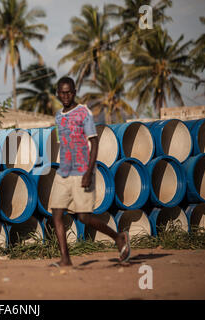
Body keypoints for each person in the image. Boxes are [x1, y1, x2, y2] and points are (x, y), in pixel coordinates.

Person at [49, 76, 130, 267]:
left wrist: (88, 171)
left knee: (83, 217)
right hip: (64, 172)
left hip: (82, 171)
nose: (66, 95)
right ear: (58, 94)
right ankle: (65, 259)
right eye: (62, 92)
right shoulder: (59, 116)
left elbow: (94, 142)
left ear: (74, 92)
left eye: (69, 92)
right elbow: (64, 144)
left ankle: (118, 238)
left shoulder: (83, 113)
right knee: (56, 213)